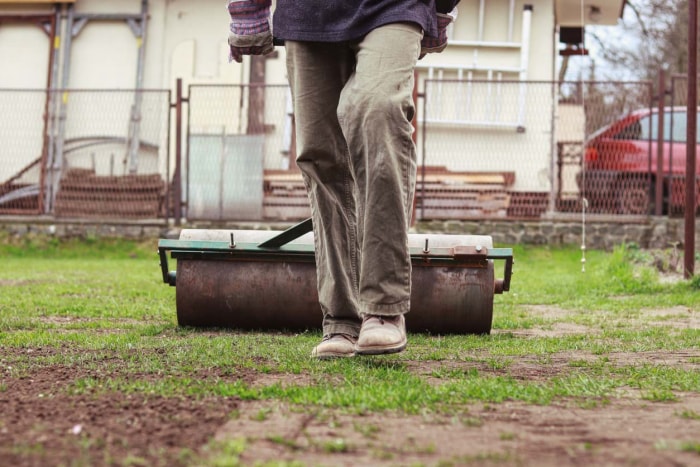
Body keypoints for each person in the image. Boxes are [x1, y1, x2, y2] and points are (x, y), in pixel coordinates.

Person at [228, 0, 459, 358]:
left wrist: (441, 8)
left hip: (394, 7)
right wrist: (248, 9)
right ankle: (342, 320)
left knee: (377, 111)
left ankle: (383, 309)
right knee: (321, 155)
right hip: (307, 14)